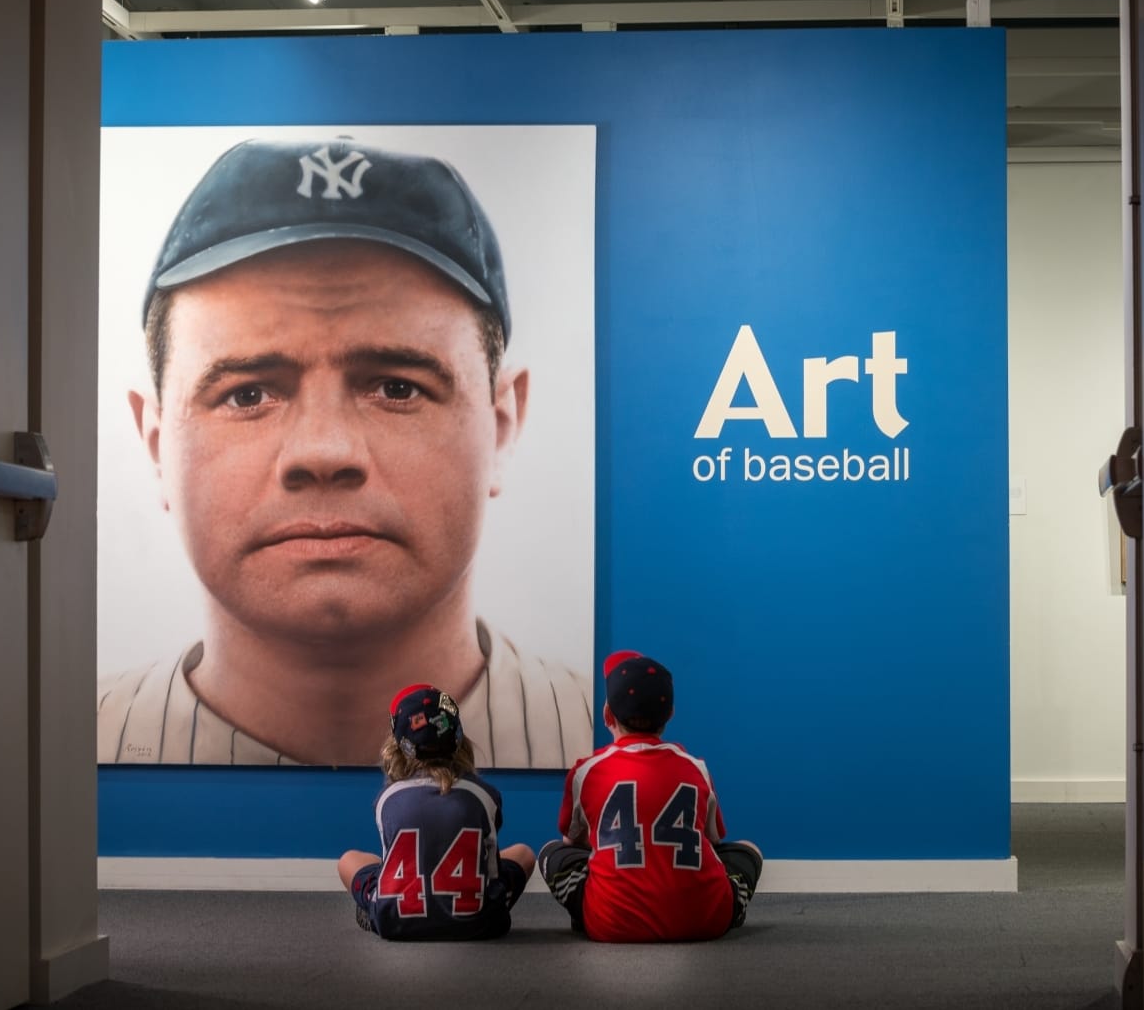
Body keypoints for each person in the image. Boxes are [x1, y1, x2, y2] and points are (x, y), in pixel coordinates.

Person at [96, 137, 592, 769]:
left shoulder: (599, 750)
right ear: (156, 441)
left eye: (396, 387)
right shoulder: (37, 753)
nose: (323, 452)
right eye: (247, 393)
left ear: (501, 425)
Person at [539, 650, 764, 941]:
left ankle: (587, 912)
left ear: (607, 714)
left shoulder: (586, 772)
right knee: (749, 848)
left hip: (611, 925)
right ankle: (727, 907)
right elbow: (712, 839)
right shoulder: (696, 767)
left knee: (551, 851)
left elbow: (573, 840)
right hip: (706, 921)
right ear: (670, 714)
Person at [337, 684, 535, 940]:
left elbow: (391, 864)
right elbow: (491, 867)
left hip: (395, 921)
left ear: (398, 746)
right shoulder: (484, 795)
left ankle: (374, 909)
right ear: (459, 739)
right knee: (524, 854)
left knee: (349, 860)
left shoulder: (388, 798)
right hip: (481, 924)